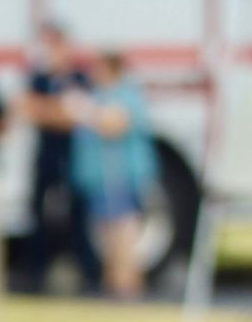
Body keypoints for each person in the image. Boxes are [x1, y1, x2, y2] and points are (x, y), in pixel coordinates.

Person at [17, 19, 100, 293]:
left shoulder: (79, 78)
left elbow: (76, 116)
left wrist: (51, 111)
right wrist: (58, 110)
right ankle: (35, 272)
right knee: (39, 214)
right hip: (47, 158)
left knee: (78, 215)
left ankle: (88, 273)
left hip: (73, 157)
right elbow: (28, 107)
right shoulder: (39, 79)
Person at [67, 51, 158, 300]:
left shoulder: (125, 96)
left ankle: (127, 285)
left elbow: (115, 124)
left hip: (119, 176)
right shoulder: (99, 95)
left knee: (124, 231)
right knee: (106, 235)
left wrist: (88, 112)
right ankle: (113, 284)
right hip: (100, 178)